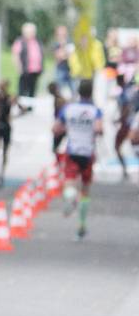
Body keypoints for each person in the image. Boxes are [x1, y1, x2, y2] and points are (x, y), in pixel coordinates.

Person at [53, 79, 103, 239]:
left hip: (72, 150)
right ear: (91, 92)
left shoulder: (69, 109)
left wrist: (68, 128)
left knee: (69, 182)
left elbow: (55, 129)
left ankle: (70, 197)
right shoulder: (95, 111)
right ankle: (81, 224)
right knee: (85, 190)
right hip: (88, 153)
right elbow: (99, 129)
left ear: (78, 91)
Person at [0, 80, 16, 187]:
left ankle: (1, 173)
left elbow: (18, 107)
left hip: (5, 126)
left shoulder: (10, 97)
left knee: (5, 151)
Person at [11, 22, 44, 102]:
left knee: (32, 89)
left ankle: (30, 107)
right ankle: (22, 106)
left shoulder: (37, 41)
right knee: (23, 89)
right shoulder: (20, 41)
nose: (32, 33)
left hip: (35, 70)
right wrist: (19, 67)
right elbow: (15, 54)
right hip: (25, 70)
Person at [48, 81, 67, 163]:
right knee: (56, 148)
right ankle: (59, 162)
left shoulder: (59, 99)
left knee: (55, 147)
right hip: (60, 125)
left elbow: (62, 113)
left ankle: (60, 162)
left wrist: (57, 125)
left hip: (60, 126)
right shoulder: (58, 98)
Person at [53, 25, 75, 98]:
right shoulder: (56, 44)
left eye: (64, 33)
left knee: (74, 91)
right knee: (59, 91)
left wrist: (64, 53)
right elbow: (59, 56)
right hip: (60, 69)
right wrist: (63, 48)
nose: (62, 35)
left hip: (71, 70)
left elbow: (71, 55)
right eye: (60, 34)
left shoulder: (71, 43)